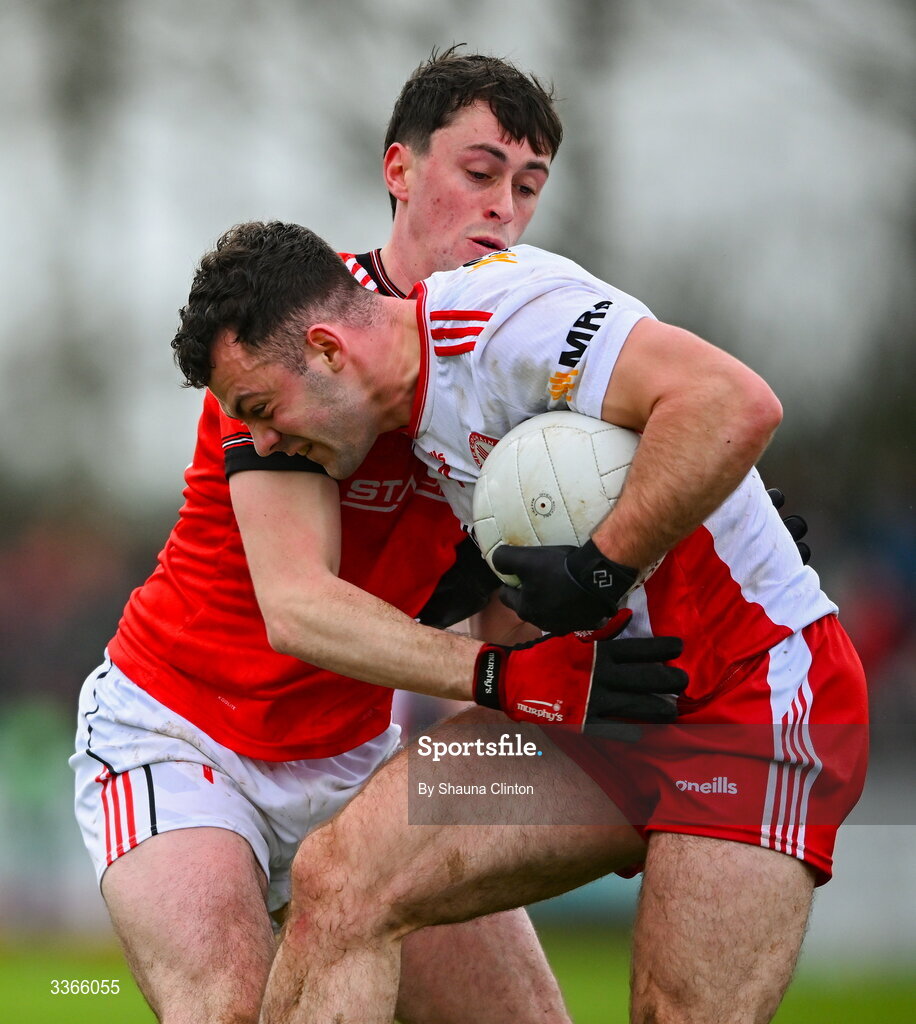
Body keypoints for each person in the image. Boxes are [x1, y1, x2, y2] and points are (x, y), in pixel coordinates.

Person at [170, 220, 868, 1024]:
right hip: (604, 708)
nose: (260, 441)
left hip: (752, 702)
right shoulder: (412, 408)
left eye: (261, 409)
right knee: (339, 880)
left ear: (328, 350)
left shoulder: (503, 322)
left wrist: (604, 565)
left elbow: (733, 402)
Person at [69, 49, 608, 1024]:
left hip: (356, 755)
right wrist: (499, 676)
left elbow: (514, 618)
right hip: (184, 731)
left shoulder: (522, 363)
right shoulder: (296, 329)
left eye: (528, 186)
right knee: (230, 1008)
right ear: (399, 169)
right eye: (479, 172)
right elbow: (300, 606)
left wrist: (641, 540)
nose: (502, 208)